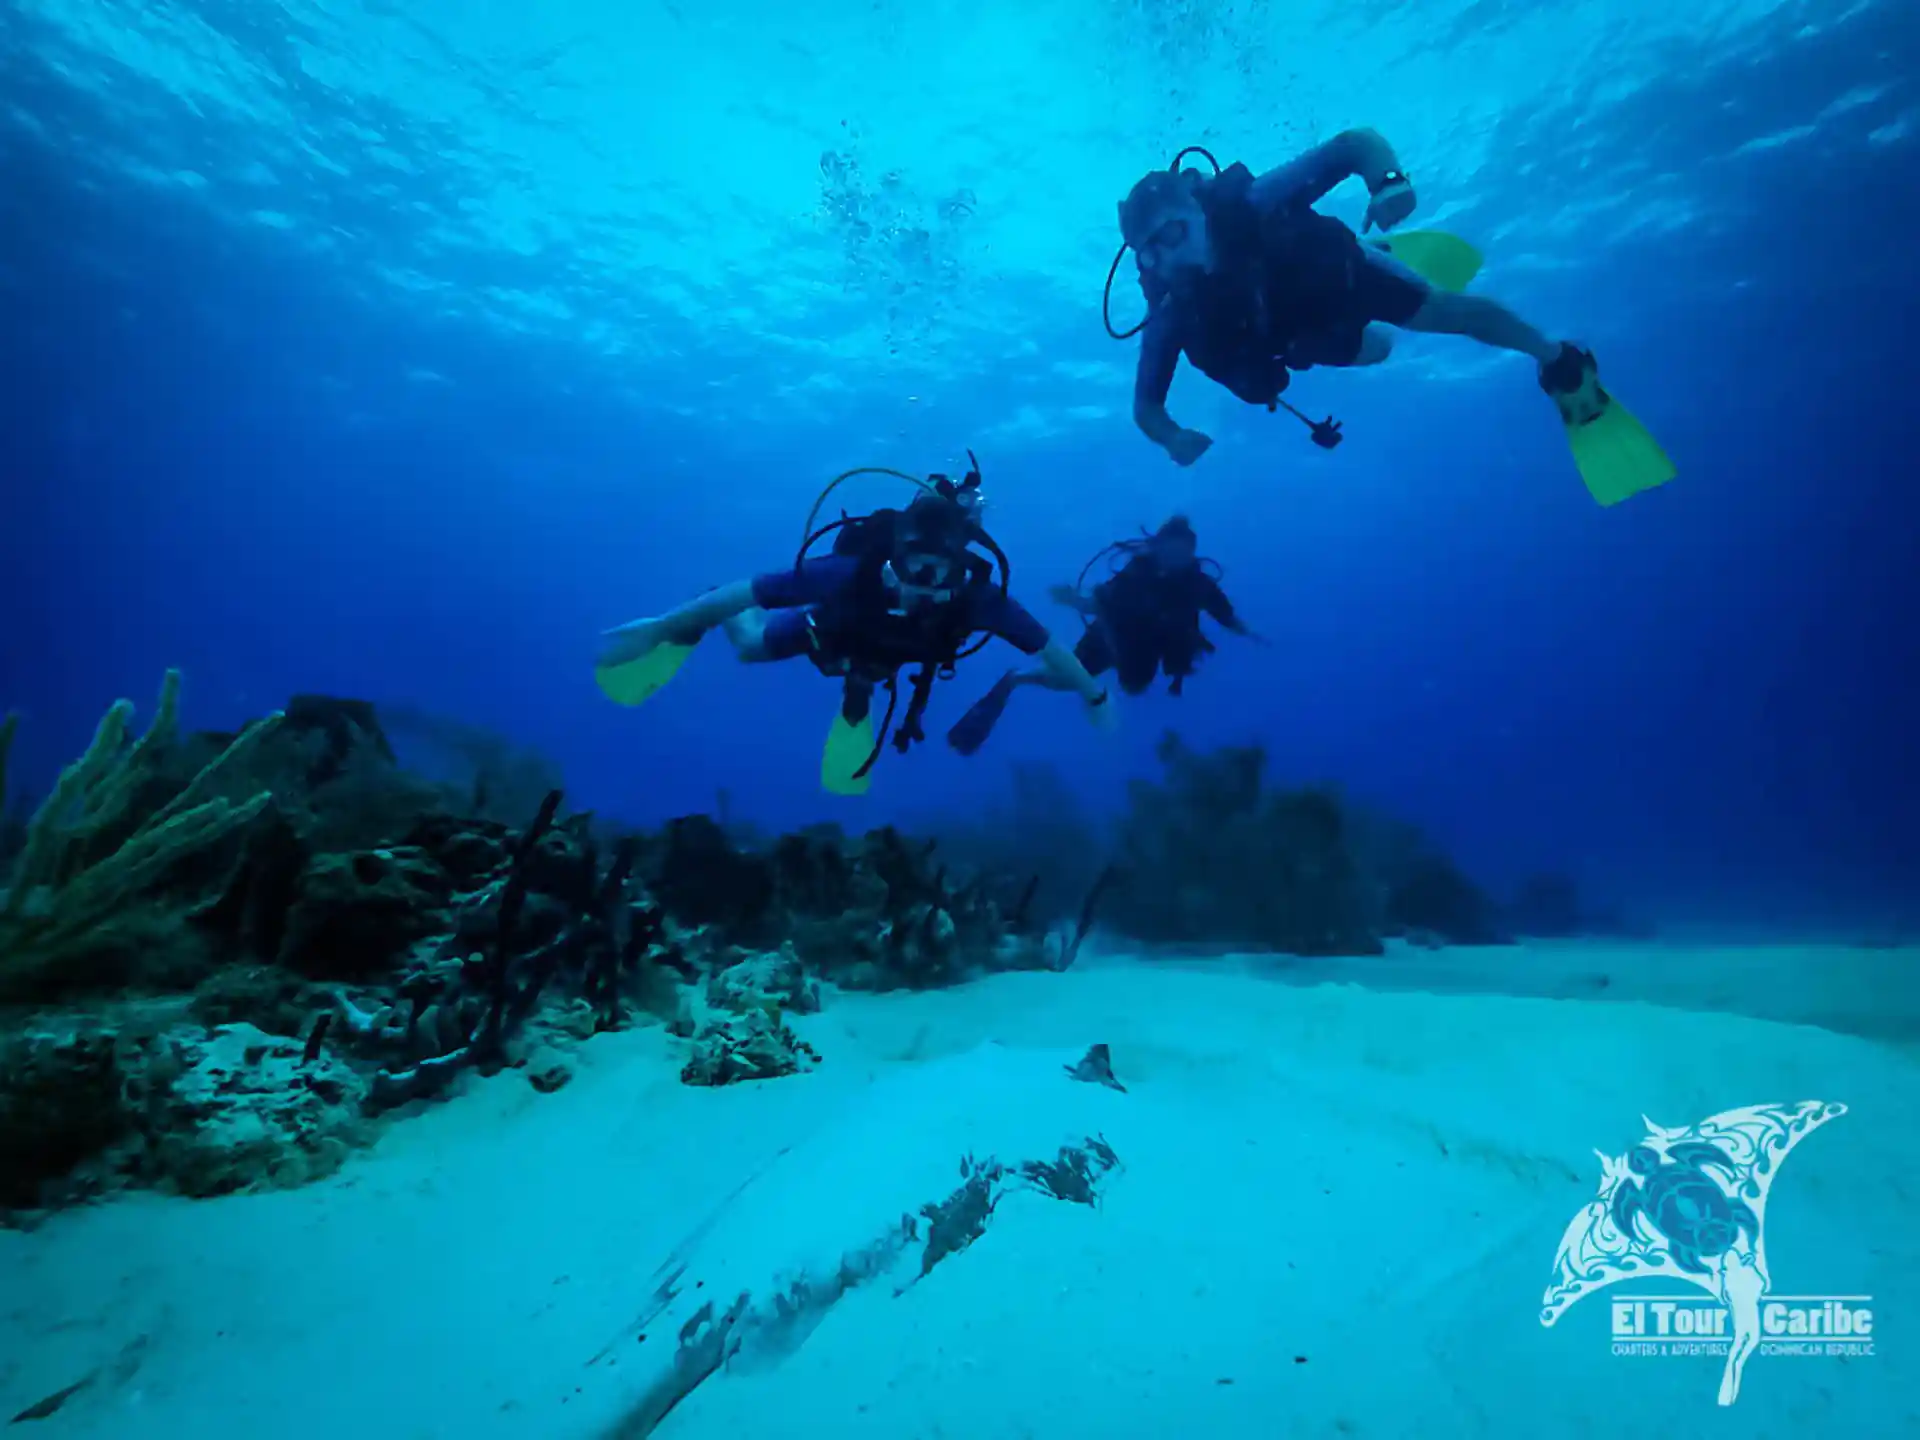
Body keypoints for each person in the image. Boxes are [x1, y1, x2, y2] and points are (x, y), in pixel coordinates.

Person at [1117, 129, 1673, 504]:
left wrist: (1388, 183)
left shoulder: (1255, 203)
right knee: (1377, 351)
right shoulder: (1170, 310)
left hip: (1342, 277)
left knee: (1443, 310)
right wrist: (1169, 438)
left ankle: (1558, 362)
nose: (1169, 257)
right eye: (1150, 251)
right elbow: (1146, 404)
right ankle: (1379, 270)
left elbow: (1356, 144)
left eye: (1174, 233)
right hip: (1303, 337)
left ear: (1197, 210)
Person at [595, 483, 1115, 794]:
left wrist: (1094, 695)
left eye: (938, 574)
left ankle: (857, 693)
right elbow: (750, 589)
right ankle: (703, 617)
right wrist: (666, 626)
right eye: (915, 569)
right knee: (750, 648)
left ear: (959, 566)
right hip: (830, 630)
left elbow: (1050, 649)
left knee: (870, 676)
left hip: (885, 657)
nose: (923, 586)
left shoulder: (980, 601)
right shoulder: (847, 573)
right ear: (895, 555)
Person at [947, 516, 1259, 756]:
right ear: (1158, 546)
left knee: (1135, 687)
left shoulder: (1199, 584)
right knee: (1068, 679)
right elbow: (1101, 602)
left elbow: (1226, 615)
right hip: (1109, 636)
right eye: (1170, 548)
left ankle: (1051, 676)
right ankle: (1016, 679)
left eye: (1183, 550)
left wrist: (1252, 635)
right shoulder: (1137, 573)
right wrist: (1074, 601)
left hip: (1148, 645)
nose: (1175, 557)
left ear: (1192, 552)